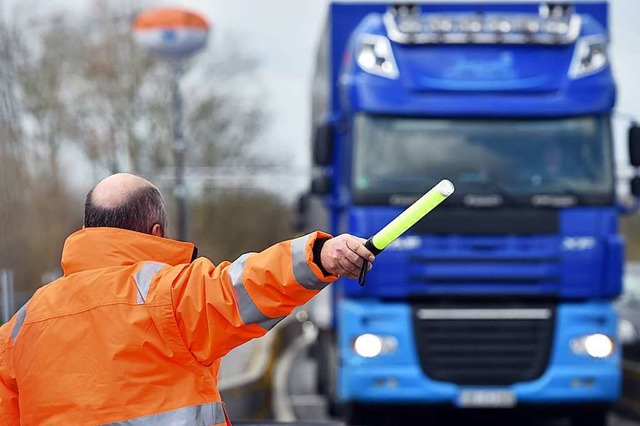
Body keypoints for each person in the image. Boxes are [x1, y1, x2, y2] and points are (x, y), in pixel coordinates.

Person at [0, 173, 375, 426]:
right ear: (156, 232)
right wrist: (320, 255)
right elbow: (247, 284)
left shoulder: (20, 328)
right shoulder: (168, 293)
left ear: (85, 229)